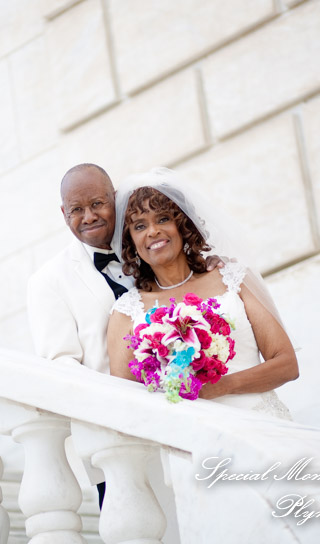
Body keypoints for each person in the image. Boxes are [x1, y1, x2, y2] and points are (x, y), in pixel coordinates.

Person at [27, 163, 224, 508]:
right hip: (116, 443)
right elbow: (61, 368)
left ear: (114, 200)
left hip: (189, 426)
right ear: (63, 214)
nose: (88, 216)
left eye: (97, 204)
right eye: (76, 209)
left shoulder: (151, 248)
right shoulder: (48, 281)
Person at [106, 168, 298, 418]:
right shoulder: (126, 313)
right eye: (140, 226)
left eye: (163, 219)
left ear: (182, 224)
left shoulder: (233, 279)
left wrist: (221, 386)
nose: (152, 231)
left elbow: (286, 365)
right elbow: (128, 405)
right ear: (130, 241)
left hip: (261, 423)